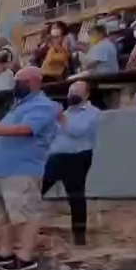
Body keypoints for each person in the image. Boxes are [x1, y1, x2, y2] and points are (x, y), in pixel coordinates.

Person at [0, 67, 60, 270]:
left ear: (33, 81)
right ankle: (6, 252)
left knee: (25, 214)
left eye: (19, 81)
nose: (15, 85)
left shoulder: (43, 106)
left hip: (21, 169)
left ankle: (26, 256)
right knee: (5, 216)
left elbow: (27, 130)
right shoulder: (17, 107)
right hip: (2, 169)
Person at [42, 80, 101, 246]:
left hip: (77, 157)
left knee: (76, 196)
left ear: (87, 94)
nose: (71, 94)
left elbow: (78, 131)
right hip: (56, 157)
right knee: (36, 190)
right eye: (70, 91)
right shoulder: (65, 113)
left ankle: (79, 236)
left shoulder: (92, 112)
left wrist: (60, 117)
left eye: (76, 91)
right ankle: (23, 228)